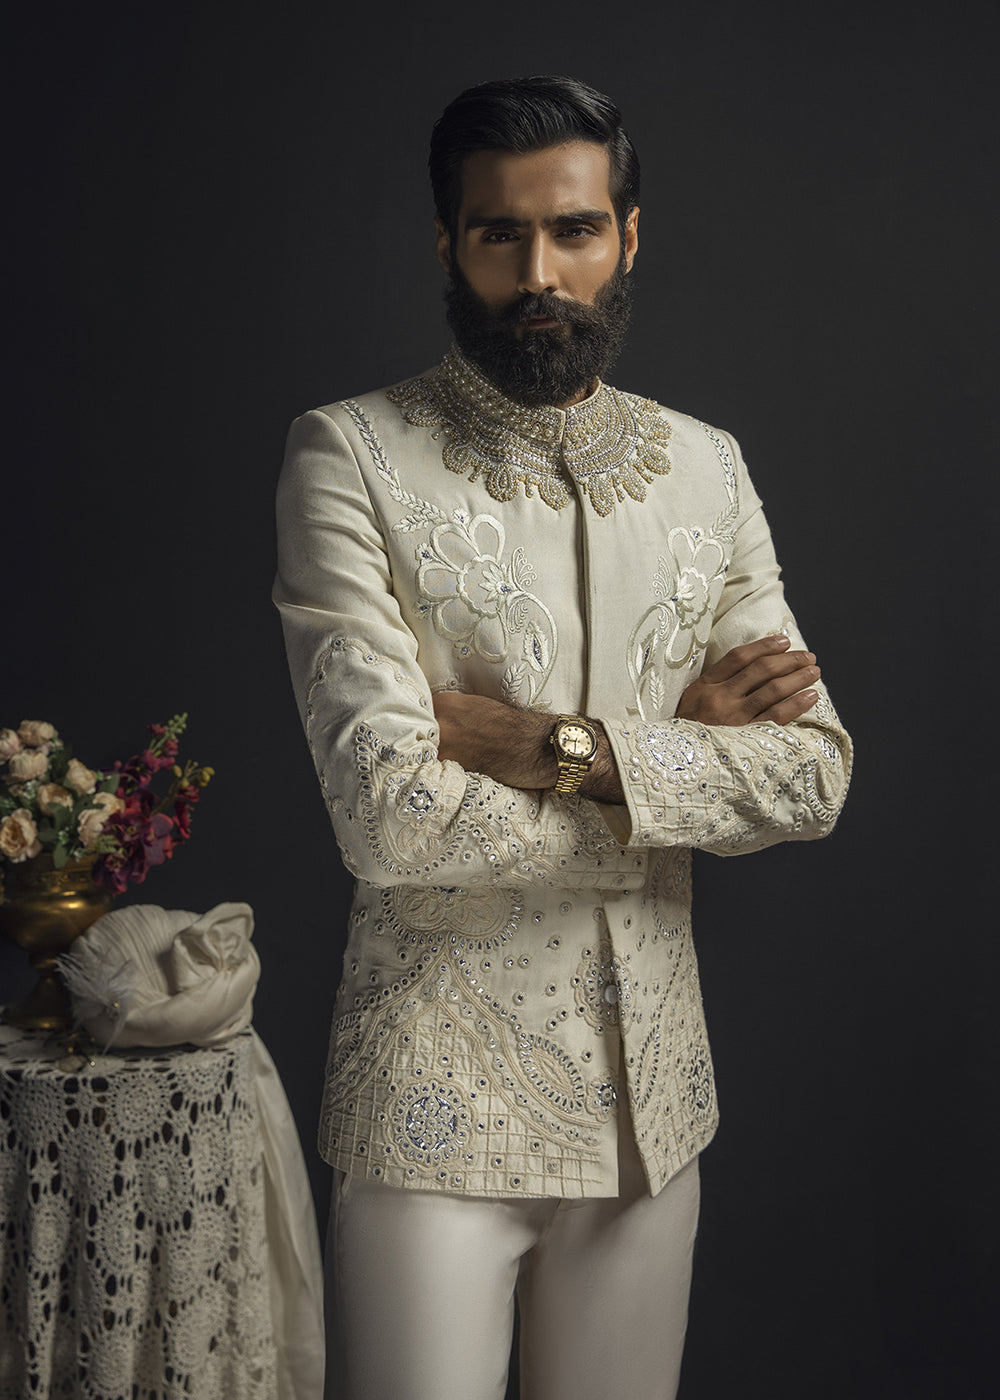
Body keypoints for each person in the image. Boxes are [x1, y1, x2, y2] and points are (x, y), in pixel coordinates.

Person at [274, 75, 852, 1400]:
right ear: (448, 244)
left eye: (575, 230)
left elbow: (813, 775)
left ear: (627, 236)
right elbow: (388, 818)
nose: (540, 273)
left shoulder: (707, 468)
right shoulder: (350, 456)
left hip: (656, 1112)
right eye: (501, 234)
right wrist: (674, 768)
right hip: (433, 1114)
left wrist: (562, 750)